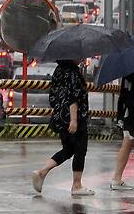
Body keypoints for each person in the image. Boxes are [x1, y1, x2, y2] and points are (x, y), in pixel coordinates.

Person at [32, 59, 93, 196]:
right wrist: (73, 120)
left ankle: (42, 172)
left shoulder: (58, 70)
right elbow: (74, 98)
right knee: (80, 149)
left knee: (68, 149)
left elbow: (53, 97)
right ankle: (77, 185)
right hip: (74, 117)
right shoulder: (73, 72)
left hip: (60, 116)